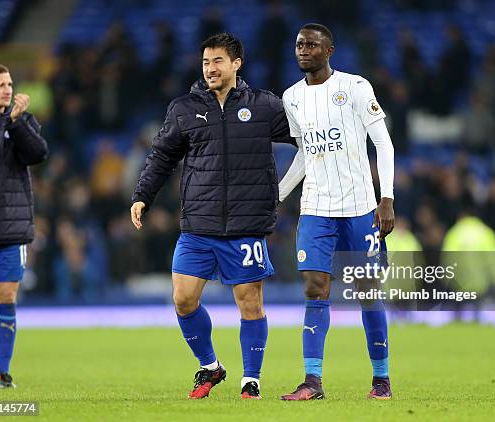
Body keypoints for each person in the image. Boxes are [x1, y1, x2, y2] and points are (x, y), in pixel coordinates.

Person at [130, 33, 294, 400]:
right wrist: (142, 195)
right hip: (198, 225)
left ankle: (251, 378)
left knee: (250, 304)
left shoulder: (265, 106)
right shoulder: (185, 108)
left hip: (246, 225)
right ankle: (210, 366)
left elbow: (306, 139)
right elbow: (161, 157)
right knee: (183, 299)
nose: (210, 69)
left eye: (218, 61)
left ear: (237, 63)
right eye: (206, 62)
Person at [278, 24, 395, 400]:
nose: (303, 50)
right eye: (299, 45)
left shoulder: (356, 87)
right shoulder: (291, 97)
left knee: (366, 291)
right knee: (315, 288)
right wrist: (278, 195)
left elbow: (384, 144)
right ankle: (312, 382)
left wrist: (387, 198)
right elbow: (304, 154)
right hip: (315, 208)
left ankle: (381, 379)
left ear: (330, 50)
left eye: (311, 44)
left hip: (360, 207)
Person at [0, 63, 48, 388]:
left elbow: (38, 153)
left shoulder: (21, 120)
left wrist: (15, 124)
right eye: (1, 84)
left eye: (10, 83)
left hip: (11, 228)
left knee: (6, 298)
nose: (8, 89)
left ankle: (3, 373)